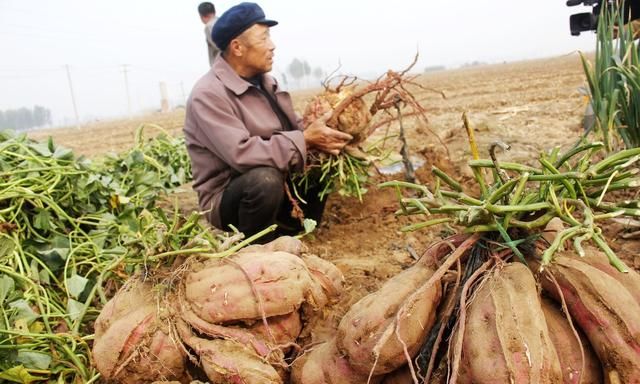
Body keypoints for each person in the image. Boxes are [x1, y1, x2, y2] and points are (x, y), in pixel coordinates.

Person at [184, 2, 352, 241]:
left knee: (324, 155)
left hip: (277, 180)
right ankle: (255, 246)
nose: (272, 46)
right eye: (264, 39)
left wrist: (314, 123)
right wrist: (304, 139)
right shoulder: (208, 94)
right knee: (264, 179)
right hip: (229, 195)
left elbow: (292, 129)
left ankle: (294, 231)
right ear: (238, 47)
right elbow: (242, 154)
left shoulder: (266, 82)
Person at [198, 2, 219, 66]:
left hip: (221, 66)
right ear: (214, 12)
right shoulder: (221, 21)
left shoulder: (209, 27)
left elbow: (219, 46)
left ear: (201, 16)